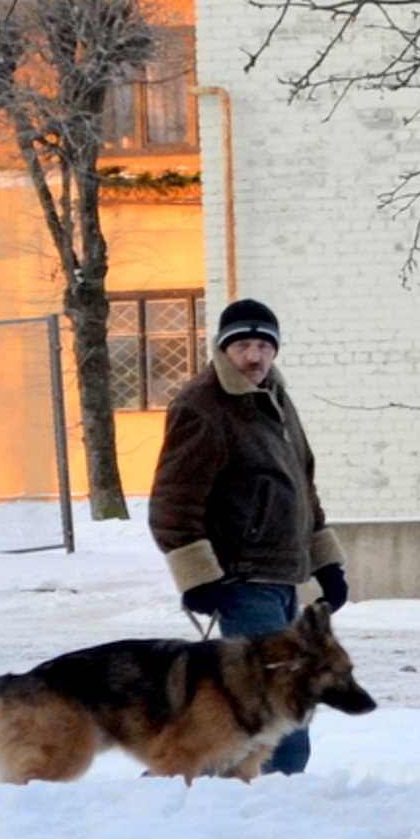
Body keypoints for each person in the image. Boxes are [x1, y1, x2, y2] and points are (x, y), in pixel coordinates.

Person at [147, 296, 348, 776]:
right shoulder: (204, 406)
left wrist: (327, 563)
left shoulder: (274, 398)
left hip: (281, 578)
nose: (254, 356)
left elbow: (302, 486)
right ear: (223, 348)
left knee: (264, 703)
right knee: (278, 702)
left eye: (263, 345)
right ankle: (273, 799)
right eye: (243, 346)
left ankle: (174, 784)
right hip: (240, 580)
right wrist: (197, 576)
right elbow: (172, 503)